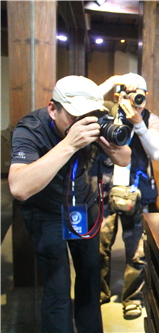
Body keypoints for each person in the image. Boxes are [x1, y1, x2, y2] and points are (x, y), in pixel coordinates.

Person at [8, 76, 132, 332]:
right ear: (53, 108)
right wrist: (69, 143)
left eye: (89, 115)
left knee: (89, 280)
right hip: (45, 212)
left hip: (81, 206)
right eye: (75, 116)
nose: (82, 122)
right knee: (57, 287)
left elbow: (125, 158)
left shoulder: (93, 122)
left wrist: (110, 144)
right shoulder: (31, 127)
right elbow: (18, 187)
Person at [92, 73, 159, 320]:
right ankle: (99, 292)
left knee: (137, 251)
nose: (133, 99)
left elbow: (156, 152)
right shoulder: (103, 111)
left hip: (137, 193)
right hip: (103, 189)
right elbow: (88, 97)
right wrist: (112, 80)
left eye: (138, 94)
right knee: (100, 247)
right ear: (117, 94)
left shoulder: (150, 119)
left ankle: (132, 298)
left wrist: (139, 123)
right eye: (128, 93)